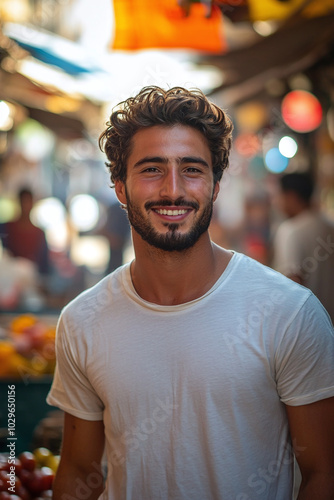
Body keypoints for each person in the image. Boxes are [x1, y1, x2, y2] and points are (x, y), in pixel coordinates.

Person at [47, 86, 334, 500]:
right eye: (151, 169)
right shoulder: (82, 320)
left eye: (193, 169)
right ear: (120, 188)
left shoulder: (289, 313)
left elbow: (323, 474)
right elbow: (77, 472)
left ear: (215, 185)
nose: (173, 190)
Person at [273, 172, 334, 322]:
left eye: (279, 196)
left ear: (292, 196)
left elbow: (292, 284)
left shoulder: (290, 231)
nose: (276, 202)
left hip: (309, 327)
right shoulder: (329, 226)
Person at [2, 188, 50, 276]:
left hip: (32, 278)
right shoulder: (7, 227)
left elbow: (44, 263)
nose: (26, 206)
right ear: (19, 202)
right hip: (10, 276)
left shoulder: (39, 233)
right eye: (24, 202)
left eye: (28, 202)